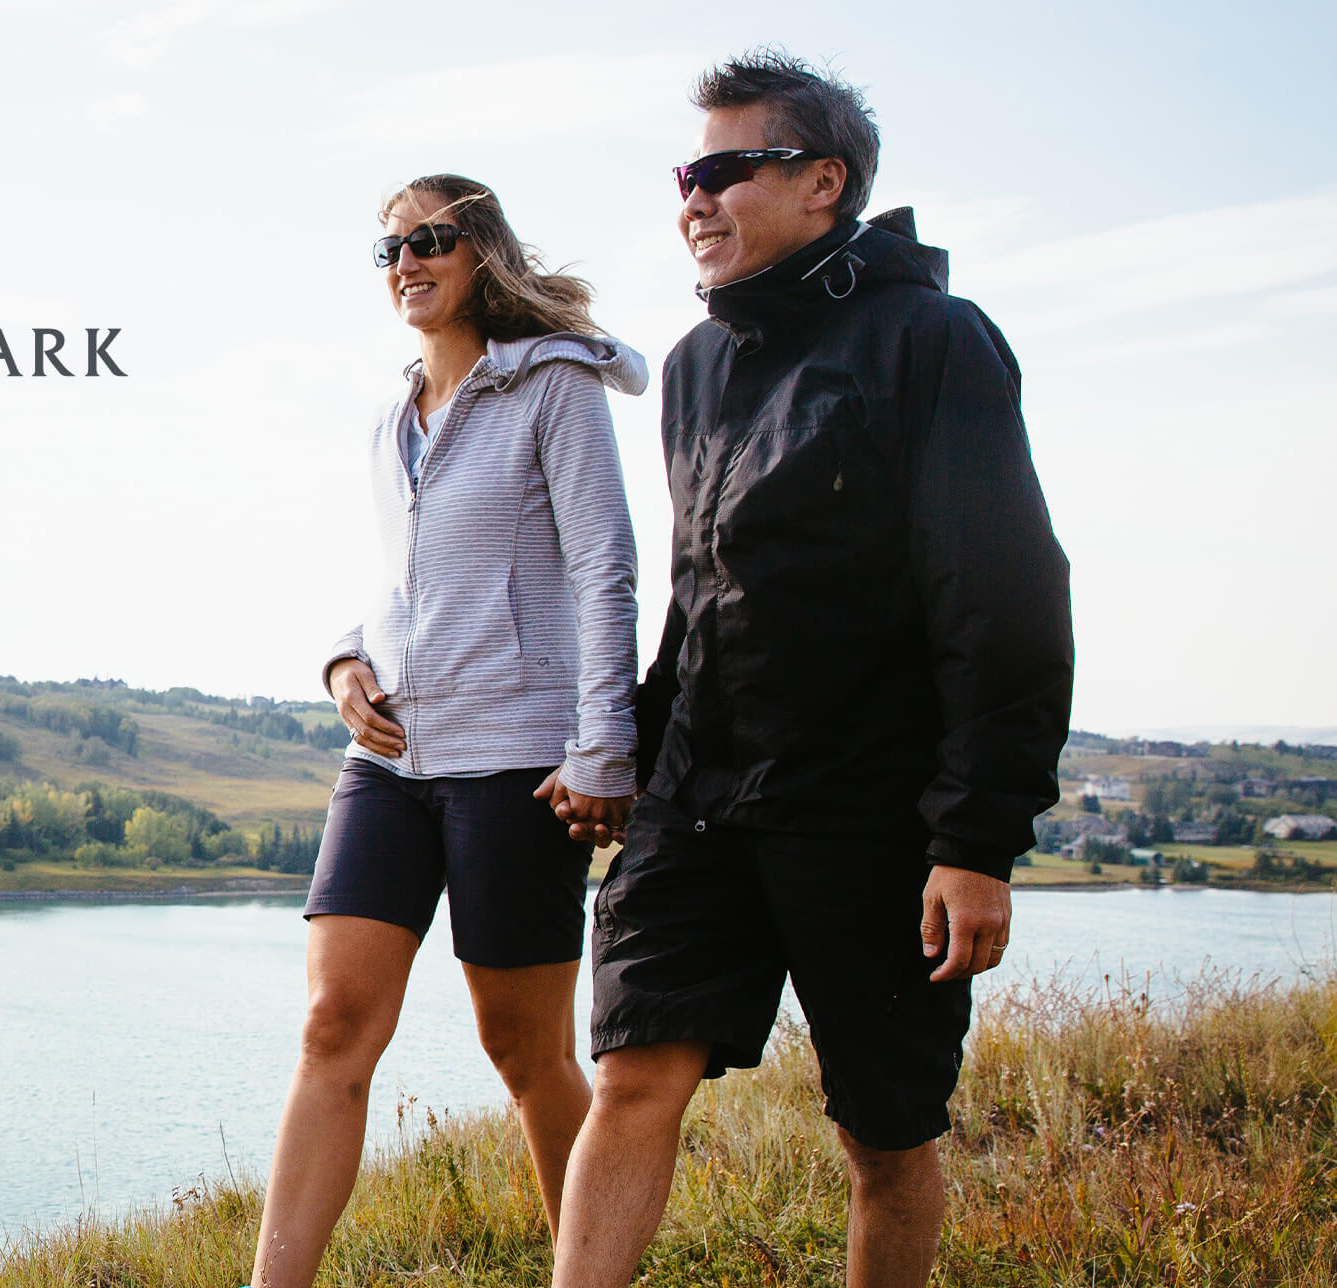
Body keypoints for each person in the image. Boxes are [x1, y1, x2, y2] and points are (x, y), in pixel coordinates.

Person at [551, 51, 1073, 1288]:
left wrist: (977, 838)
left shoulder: (934, 342)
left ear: (823, 183)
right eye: (687, 174)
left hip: (872, 813)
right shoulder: (693, 366)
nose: (696, 198)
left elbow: (1000, 598)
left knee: (881, 1132)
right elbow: (698, 598)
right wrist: (628, 751)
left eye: (727, 169)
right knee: (633, 1072)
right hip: (699, 800)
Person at [249, 174, 644, 1288]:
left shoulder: (552, 389)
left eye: (430, 240)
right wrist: (341, 662)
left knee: (523, 1050)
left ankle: (592, 1271)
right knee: (332, 1028)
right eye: (388, 248)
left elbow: (605, 571)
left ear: (484, 255)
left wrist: (602, 749)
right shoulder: (394, 416)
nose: (406, 262)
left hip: (516, 763)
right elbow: (405, 586)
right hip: (385, 763)